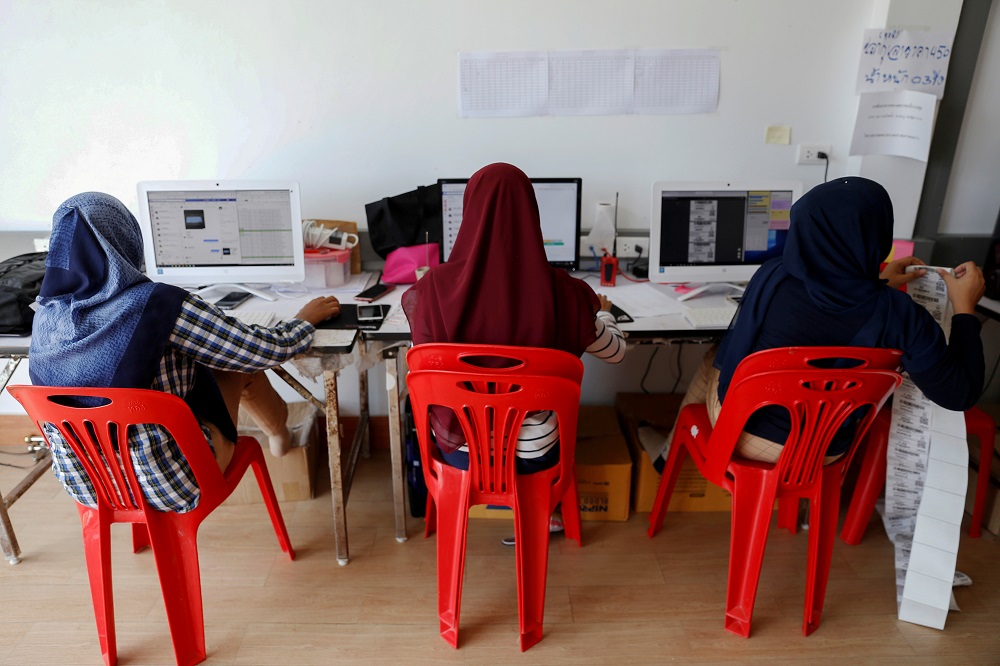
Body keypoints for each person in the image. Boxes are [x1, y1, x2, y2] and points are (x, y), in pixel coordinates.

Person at [29, 192, 341, 512]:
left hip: (90, 487)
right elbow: (258, 350)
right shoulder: (156, 304)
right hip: (171, 484)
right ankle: (279, 436)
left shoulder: (44, 316)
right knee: (239, 365)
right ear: (125, 238)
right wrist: (303, 321)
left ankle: (278, 436)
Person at [652, 176, 985, 469]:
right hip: (824, 450)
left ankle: (668, 456)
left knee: (715, 356)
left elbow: (739, 348)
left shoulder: (772, 275)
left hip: (746, 437)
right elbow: (959, 394)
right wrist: (964, 308)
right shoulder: (901, 314)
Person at [402, 162, 625, 535]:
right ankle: (542, 510)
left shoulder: (433, 289)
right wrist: (605, 312)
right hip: (533, 456)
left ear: (469, 213)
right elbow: (615, 352)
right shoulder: (566, 293)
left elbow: (425, 360)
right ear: (531, 216)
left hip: (460, 452)